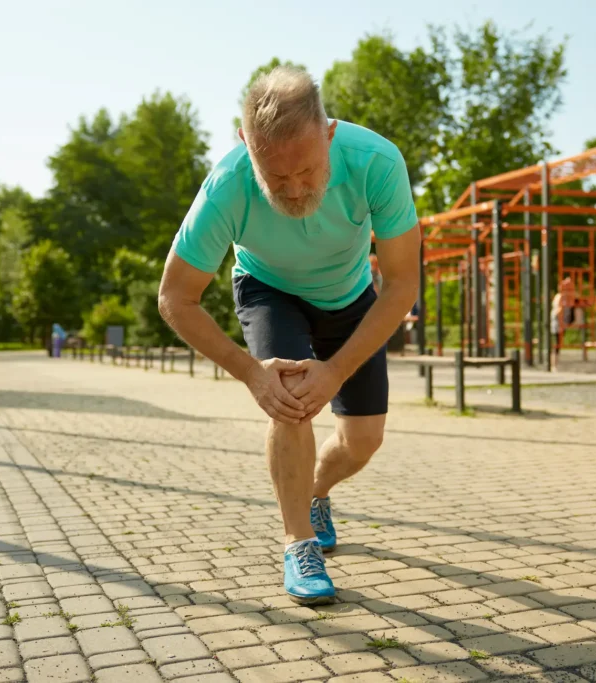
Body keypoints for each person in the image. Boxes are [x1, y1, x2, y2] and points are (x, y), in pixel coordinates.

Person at [158, 66, 420, 605]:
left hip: (351, 297)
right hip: (268, 287)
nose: (296, 189)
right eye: (275, 177)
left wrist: (337, 370)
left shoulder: (377, 162)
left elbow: (401, 283)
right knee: (291, 401)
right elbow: (175, 298)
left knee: (364, 440)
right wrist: (252, 373)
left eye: (306, 170)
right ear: (245, 147)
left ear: (329, 133)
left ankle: (317, 493)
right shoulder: (227, 186)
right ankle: (298, 541)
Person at [549, 278, 574, 371]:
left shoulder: (563, 296)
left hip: (559, 322)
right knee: (556, 345)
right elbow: (558, 311)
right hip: (557, 322)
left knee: (558, 344)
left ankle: (554, 364)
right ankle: (553, 365)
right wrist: (562, 323)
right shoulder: (560, 297)